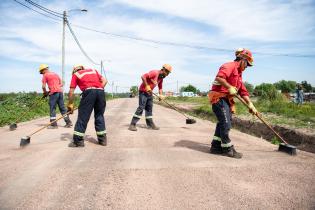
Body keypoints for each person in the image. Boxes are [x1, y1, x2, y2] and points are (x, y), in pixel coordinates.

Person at [208, 49, 257, 159]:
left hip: (226, 100)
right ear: (243, 60)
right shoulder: (229, 66)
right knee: (226, 123)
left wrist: (250, 105)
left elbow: (243, 91)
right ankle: (228, 149)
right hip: (218, 98)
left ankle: (215, 147)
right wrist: (229, 87)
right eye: (247, 65)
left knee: (223, 123)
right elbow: (219, 77)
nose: (247, 67)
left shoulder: (239, 74)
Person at [67, 64, 108, 147]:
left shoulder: (76, 74)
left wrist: (70, 104)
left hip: (89, 92)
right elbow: (105, 81)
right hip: (100, 92)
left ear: (74, 70)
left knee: (83, 117)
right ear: (82, 68)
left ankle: (78, 141)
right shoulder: (93, 70)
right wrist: (97, 88)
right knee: (99, 115)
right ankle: (102, 140)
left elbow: (71, 92)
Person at [128, 64, 172, 131]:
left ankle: (150, 124)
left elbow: (160, 88)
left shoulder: (161, 78)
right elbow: (143, 77)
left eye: (168, 73)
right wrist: (147, 86)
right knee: (141, 107)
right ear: (163, 70)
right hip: (143, 92)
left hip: (149, 93)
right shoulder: (154, 73)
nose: (167, 75)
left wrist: (160, 95)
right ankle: (132, 124)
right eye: (167, 73)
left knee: (149, 109)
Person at [39, 64, 72, 129]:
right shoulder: (55, 74)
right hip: (60, 92)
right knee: (62, 108)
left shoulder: (45, 75)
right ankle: (68, 122)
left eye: (41, 72)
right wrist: (56, 87)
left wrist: (45, 93)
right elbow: (62, 83)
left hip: (54, 93)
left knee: (52, 108)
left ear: (44, 70)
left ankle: (53, 125)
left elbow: (43, 86)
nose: (42, 73)